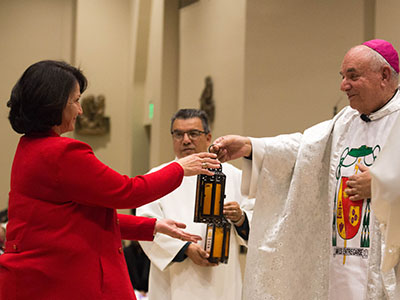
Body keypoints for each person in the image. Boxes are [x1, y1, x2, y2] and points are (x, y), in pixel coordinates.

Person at [0, 60, 221, 300]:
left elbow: (75, 218)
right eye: (75, 100)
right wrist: (179, 169)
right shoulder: (61, 152)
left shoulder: (29, 147)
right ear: (54, 103)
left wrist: (152, 226)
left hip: (44, 279)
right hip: (63, 280)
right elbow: (128, 191)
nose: (80, 110)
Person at [211, 39, 400, 299]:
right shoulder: (345, 121)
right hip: (342, 264)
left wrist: (383, 185)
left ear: (384, 75)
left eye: (353, 76)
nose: (343, 85)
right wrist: (249, 146)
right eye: (343, 76)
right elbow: (304, 149)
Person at [137, 109, 254, 300]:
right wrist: (185, 249)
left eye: (193, 133)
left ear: (208, 138)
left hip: (221, 281)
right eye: (178, 134)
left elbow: (256, 220)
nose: (185, 140)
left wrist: (240, 218)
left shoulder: (233, 176)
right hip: (174, 281)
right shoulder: (157, 177)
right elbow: (145, 225)